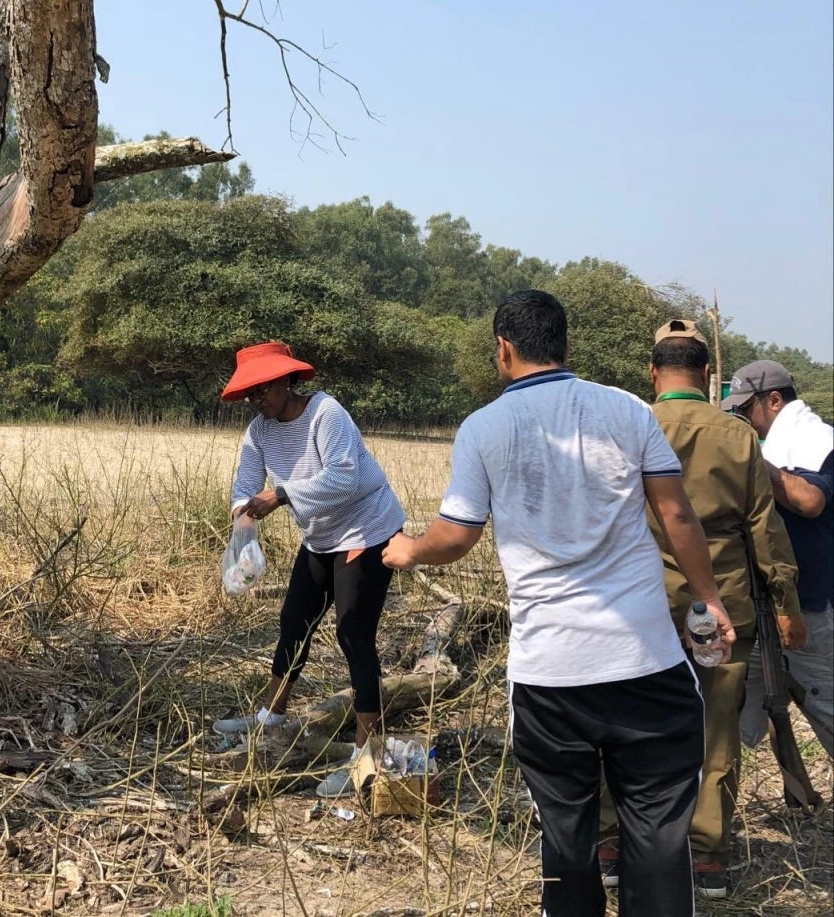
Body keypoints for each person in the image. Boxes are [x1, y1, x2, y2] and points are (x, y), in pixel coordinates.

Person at [382, 291, 736, 917]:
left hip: (550, 678)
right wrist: (709, 598)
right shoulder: (628, 410)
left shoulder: (484, 428)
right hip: (646, 665)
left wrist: (408, 550)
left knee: (566, 838)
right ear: (566, 345)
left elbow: (456, 537)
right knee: (657, 834)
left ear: (503, 349)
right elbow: (675, 512)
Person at [599, 321, 805, 899]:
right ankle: (707, 855)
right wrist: (786, 604)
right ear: (708, 373)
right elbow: (765, 527)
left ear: (653, 371)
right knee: (716, 734)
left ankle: (612, 843)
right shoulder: (738, 435)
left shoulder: (625, 425)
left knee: (622, 723)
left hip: (635, 600)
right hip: (724, 603)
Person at [211, 342, 406, 798]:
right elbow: (245, 485)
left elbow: (345, 477)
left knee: (353, 633)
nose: (257, 400)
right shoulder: (259, 431)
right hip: (320, 535)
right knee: (294, 619)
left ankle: (367, 756)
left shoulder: (326, 414)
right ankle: (272, 717)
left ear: (286, 381)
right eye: (249, 394)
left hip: (366, 529)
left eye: (263, 390)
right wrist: (243, 517)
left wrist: (278, 496)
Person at [722, 360, 834, 757]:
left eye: (745, 409)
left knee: (824, 705)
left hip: (809, 605)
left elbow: (810, 501)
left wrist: (751, 459)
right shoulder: (773, 441)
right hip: (765, 605)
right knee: (731, 716)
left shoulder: (819, 440)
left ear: (773, 400)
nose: (741, 418)